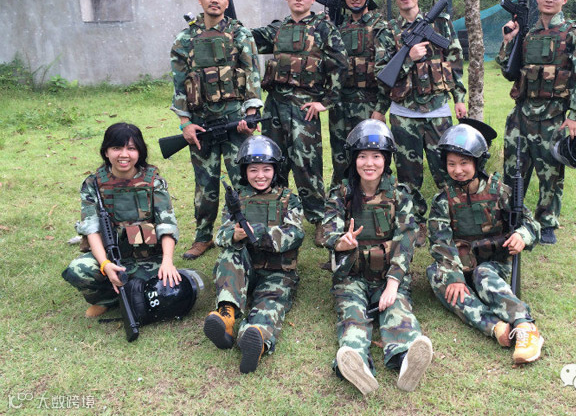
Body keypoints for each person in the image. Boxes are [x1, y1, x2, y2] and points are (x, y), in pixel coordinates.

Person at [324, 119, 433, 395]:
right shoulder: (342, 193)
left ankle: (407, 359)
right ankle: (356, 363)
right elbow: (327, 230)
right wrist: (341, 242)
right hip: (351, 276)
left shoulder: (399, 195)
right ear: (354, 159)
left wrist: (393, 284)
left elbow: (406, 239)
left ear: (386, 160)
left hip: (388, 275)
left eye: (376, 157)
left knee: (397, 311)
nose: (369, 163)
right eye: (362, 156)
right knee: (353, 317)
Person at [426, 123, 544, 364]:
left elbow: (532, 224)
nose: (457, 170)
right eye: (451, 164)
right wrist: (454, 276)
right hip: (460, 264)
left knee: (483, 273)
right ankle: (497, 328)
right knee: (436, 275)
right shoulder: (443, 200)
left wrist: (521, 236)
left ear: (477, 162)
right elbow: (440, 242)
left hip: (494, 264)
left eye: (464, 163)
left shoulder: (500, 192)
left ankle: (525, 326)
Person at [170, 0, 263, 260]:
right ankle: (203, 237)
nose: (215, 0)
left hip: (234, 120)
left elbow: (251, 75)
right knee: (205, 183)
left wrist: (251, 116)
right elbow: (179, 84)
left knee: (242, 178)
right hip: (201, 123)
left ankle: (244, 229)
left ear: (227, 1)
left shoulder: (240, 34)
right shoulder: (184, 39)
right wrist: (185, 124)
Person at [253, 0, 348, 247]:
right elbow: (247, 40)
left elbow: (341, 66)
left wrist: (325, 102)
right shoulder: (277, 29)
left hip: (304, 108)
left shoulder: (323, 28)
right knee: (273, 162)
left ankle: (317, 219)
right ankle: (276, 213)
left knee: (307, 166)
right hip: (275, 106)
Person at [498, 0, 576, 245]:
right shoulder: (528, 33)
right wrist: (509, 40)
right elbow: (508, 71)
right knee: (513, 167)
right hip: (522, 112)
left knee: (550, 170)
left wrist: (575, 116)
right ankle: (511, 216)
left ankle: (547, 222)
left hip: (554, 114)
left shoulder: (573, 33)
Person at [374, 0, 467, 241]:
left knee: (446, 169)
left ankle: (454, 218)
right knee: (408, 176)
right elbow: (382, 73)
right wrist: (409, 57)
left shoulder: (442, 24)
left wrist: (459, 98)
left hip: (438, 111)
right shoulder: (386, 31)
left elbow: (454, 61)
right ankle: (415, 223)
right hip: (403, 115)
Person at [203, 135, 304, 374]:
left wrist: (260, 233)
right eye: (253, 170)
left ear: (275, 170)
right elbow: (221, 234)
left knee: (271, 302)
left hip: (278, 272)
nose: (260, 175)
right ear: (244, 171)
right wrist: (235, 235)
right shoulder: (237, 199)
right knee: (229, 256)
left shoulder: (289, 199)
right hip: (244, 267)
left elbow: (295, 234)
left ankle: (255, 335)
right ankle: (227, 316)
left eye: (266, 169)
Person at [62, 123, 181, 318]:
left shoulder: (154, 182)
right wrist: (105, 264)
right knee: (78, 270)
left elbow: (167, 225)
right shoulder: (93, 184)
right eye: (117, 148)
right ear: (106, 152)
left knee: (172, 289)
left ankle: (132, 291)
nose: (124, 155)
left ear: (139, 152)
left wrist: (167, 261)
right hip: (110, 256)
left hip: (148, 258)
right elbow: (92, 229)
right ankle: (106, 300)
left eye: (131, 148)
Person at [329, 0, 394, 187]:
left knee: (371, 158)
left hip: (369, 105)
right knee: (341, 159)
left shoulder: (380, 27)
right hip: (340, 107)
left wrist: (380, 109)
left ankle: (378, 201)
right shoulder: (337, 29)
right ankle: (340, 201)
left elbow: (387, 73)